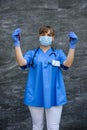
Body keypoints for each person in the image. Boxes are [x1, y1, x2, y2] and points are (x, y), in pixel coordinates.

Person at [12, 26, 78, 130]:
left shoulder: (58, 53)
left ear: (53, 38)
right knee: (37, 126)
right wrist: (17, 44)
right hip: (35, 94)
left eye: (49, 35)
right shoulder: (32, 54)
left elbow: (67, 64)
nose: (46, 37)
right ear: (39, 36)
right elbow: (21, 62)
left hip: (54, 95)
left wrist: (72, 47)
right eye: (43, 35)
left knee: (53, 127)